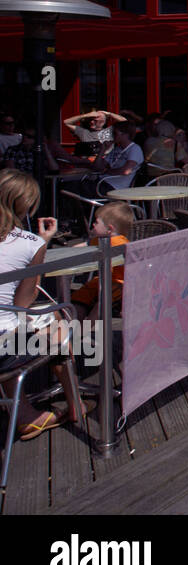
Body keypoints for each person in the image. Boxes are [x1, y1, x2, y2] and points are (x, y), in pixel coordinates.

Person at [0, 170, 92, 440]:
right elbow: (23, 301)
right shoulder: (30, 243)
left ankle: (24, 412)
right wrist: (42, 243)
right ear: (25, 205)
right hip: (3, 349)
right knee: (57, 322)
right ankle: (75, 404)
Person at [70, 202, 133, 319]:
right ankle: (76, 319)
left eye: (96, 222)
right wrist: (72, 251)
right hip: (102, 280)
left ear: (109, 228)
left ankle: (86, 326)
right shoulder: (100, 239)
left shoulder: (120, 244)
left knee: (103, 301)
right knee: (81, 295)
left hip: (120, 283)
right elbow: (83, 246)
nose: (93, 225)